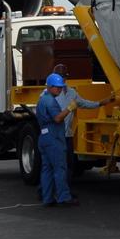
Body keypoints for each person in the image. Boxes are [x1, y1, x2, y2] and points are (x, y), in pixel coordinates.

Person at [50, 64, 114, 191]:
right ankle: (50, 191)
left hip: (67, 136)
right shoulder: (48, 94)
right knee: (55, 165)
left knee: (68, 165)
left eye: (63, 77)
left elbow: (85, 103)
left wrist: (102, 102)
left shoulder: (72, 93)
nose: (62, 79)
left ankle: (64, 191)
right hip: (55, 135)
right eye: (59, 77)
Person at [36, 73, 80, 207]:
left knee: (47, 169)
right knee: (60, 168)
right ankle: (64, 197)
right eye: (57, 87)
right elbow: (57, 118)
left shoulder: (43, 99)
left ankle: (47, 198)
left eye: (61, 87)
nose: (60, 90)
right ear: (49, 87)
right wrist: (69, 108)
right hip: (53, 139)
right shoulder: (50, 100)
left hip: (44, 137)